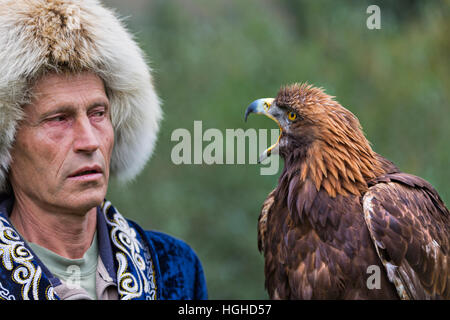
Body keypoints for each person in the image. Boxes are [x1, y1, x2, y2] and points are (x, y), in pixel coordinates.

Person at [0, 0, 207, 300]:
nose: (90, 141)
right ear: (7, 144)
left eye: (98, 113)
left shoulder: (176, 267)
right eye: (59, 119)